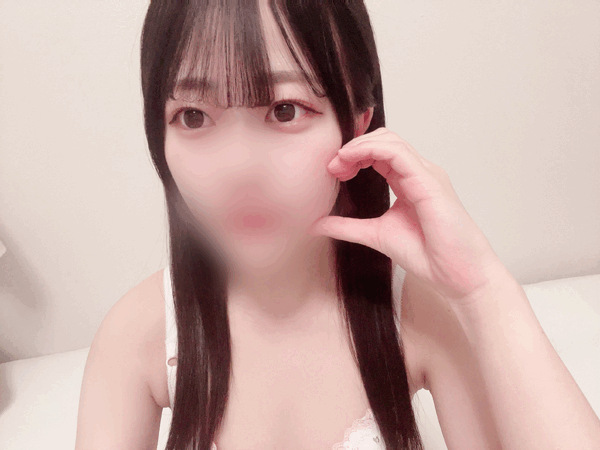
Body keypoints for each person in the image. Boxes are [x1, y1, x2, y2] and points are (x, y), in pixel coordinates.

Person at [75, 1, 600, 449]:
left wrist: (484, 292)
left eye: (285, 110)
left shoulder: (418, 313)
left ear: (357, 123)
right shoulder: (137, 335)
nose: (239, 168)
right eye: (193, 116)